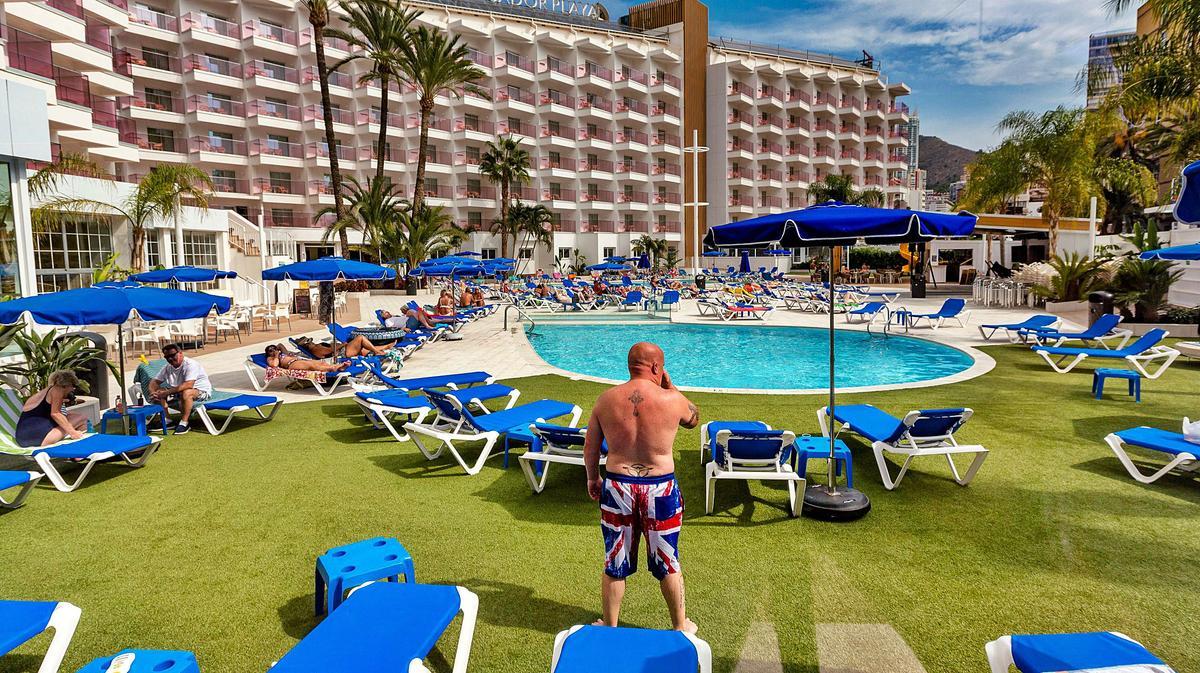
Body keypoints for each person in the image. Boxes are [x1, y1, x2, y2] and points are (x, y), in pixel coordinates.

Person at [583, 342, 700, 633]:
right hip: (660, 489)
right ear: (657, 368)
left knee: (615, 560)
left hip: (618, 487)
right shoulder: (672, 400)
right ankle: (679, 625)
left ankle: (609, 626)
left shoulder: (606, 399)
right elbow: (694, 419)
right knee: (668, 559)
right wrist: (673, 389)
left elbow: (591, 445)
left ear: (630, 365)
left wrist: (592, 478)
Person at [149, 343, 212, 435]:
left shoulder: (190, 364)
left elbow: (188, 385)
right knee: (159, 391)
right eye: (167, 357)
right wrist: (153, 393)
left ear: (180, 353)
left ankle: (184, 422)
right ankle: (167, 420)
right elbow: (154, 382)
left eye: (172, 355)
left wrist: (167, 393)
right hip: (178, 392)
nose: (170, 359)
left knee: (186, 392)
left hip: (200, 391)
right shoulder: (167, 367)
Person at [15, 370, 87, 447]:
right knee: (82, 418)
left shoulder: (46, 391)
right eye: (73, 386)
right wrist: (73, 432)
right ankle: (79, 450)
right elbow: (55, 414)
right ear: (66, 385)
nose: (73, 389)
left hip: (23, 438)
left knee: (72, 415)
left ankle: (77, 448)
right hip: (39, 439)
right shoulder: (58, 390)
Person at [265, 344, 349, 372]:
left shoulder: (282, 354)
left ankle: (337, 368)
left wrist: (277, 348)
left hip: (298, 360)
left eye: (274, 349)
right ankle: (334, 368)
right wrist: (275, 355)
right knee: (311, 366)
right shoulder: (270, 358)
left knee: (320, 362)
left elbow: (280, 345)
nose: (273, 351)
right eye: (270, 350)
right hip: (292, 364)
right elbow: (274, 365)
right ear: (268, 353)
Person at [294, 334, 393, 358]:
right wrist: (342, 344)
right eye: (309, 341)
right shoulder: (315, 350)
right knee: (360, 338)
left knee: (363, 349)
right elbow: (330, 351)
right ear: (307, 345)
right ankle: (377, 351)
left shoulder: (317, 346)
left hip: (343, 350)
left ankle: (385, 347)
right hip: (343, 353)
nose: (311, 341)